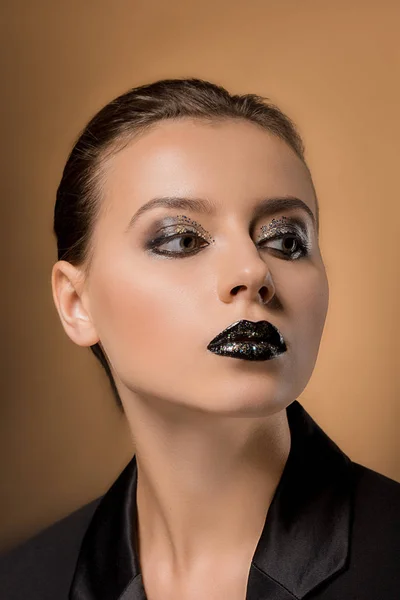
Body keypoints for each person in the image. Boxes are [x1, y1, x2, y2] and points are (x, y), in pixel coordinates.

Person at [1, 77, 399, 600]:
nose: (252, 270)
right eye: (182, 240)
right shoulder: (23, 584)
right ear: (77, 303)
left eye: (284, 239)